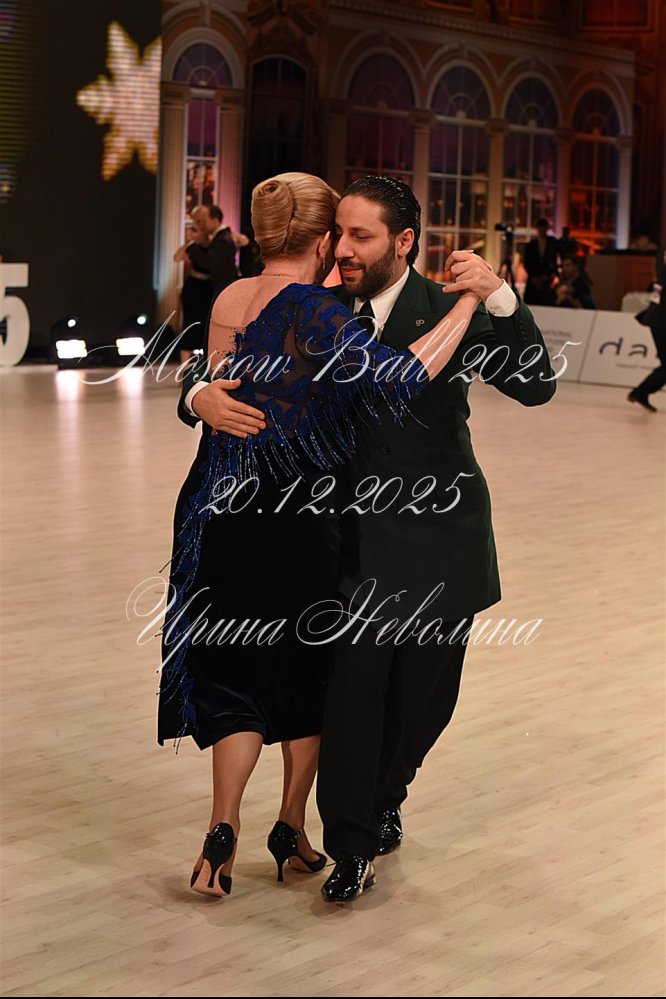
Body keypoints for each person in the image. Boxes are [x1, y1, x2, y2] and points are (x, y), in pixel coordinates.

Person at [178, 175, 556, 904]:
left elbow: (536, 385)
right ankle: (350, 845)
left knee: (423, 705)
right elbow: (228, 358)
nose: (344, 249)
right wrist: (198, 395)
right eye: (339, 234)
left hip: (439, 538)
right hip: (342, 546)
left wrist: (501, 298)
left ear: (403, 241)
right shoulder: (316, 302)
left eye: (362, 236)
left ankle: (387, 797)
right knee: (349, 700)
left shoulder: (444, 306)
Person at [172, 207, 213, 362]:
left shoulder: (215, 236)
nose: (201, 221)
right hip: (194, 287)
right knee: (190, 324)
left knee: (207, 325)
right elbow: (177, 258)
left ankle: (207, 364)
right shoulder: (193, 238)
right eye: (198, 218)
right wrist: (190, 243)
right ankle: (184, 368)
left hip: (209, 287)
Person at [628, 247, 666, 413]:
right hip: (661, 317)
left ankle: (641, 392)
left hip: (657, 314)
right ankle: (641, 392)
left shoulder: (662, 253)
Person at [185, 205, 249, 292]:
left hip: (225, 287)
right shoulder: (221, 237)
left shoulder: (222, 239)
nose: (203, 224)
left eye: (205, 221)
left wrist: (190, 244)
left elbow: (207, 261)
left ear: (215, 221)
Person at [523, 217, 558, 305]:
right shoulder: (531, 245)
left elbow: (554, 260)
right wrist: (534, 276)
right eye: (540, 227)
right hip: (533, 278)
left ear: (547, 228)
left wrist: (551, 274)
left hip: (547, 278)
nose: (542, 229)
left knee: (546, 301)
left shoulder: (552, 243)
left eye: (544, 227)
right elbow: (527, 262)